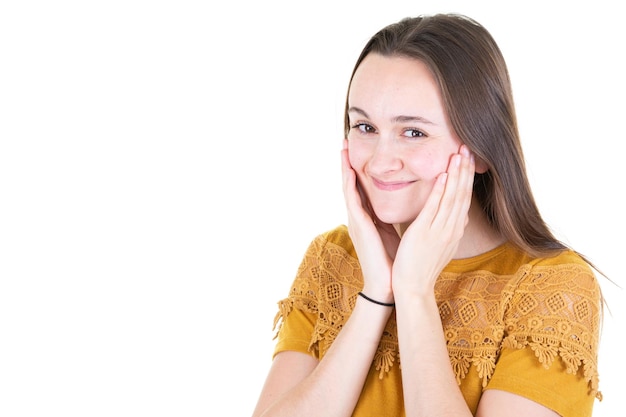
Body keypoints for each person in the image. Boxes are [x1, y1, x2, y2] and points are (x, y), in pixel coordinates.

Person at [251, 13, 603, 417]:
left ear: (481, 149)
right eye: (364, 126)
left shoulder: (550, 287)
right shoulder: (332, 258)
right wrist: (375, 294)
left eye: (413, 132)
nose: (381, 162)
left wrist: (414, 293)